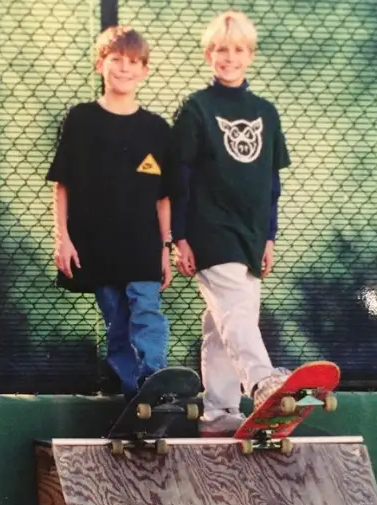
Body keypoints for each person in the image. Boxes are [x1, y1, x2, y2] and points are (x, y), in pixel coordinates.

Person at [171, 10, 292, 436]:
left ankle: (219, 412)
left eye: (237, 50)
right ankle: (262, 382)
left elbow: (271, 181)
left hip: (251, 233)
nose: (229, 57)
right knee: (236, 314)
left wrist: (270, 236)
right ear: (209, 54)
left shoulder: (265, 111)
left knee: (223, 321)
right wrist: (179, 236)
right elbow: (180, 177)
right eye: (221, 50)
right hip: (210, 229)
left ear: (250, 55)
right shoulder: (197, 107)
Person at [46, 26, 175, 402]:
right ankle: (134, 398)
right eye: (116, 60)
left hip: (143, 245)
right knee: (117, 321)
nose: (124, 69)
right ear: (100, 64)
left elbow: (163, 197)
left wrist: (165, 246)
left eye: (133, 62)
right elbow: (62, 184)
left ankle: (158, 384)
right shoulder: (82, 119)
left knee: (147, 309)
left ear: (145, 70)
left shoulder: (156, 128)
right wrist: (63, 238)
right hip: (96, 244)